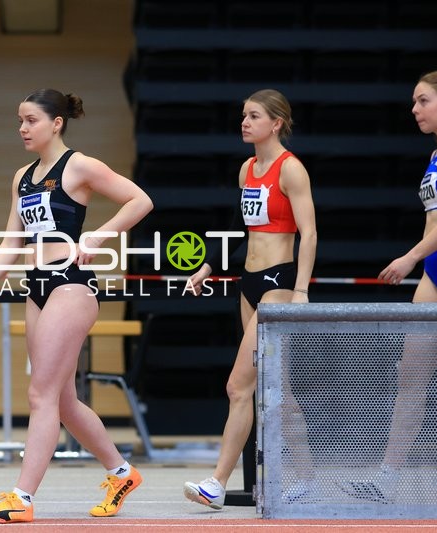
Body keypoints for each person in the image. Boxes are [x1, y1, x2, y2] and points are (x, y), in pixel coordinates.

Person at [0, 89, 153, 523]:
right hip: (36, 287)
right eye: (19, 120)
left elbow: (140, 200)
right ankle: (122, 473)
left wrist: (99, 235)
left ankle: (21, 499)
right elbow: (13, 238)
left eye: (31, 120)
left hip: (72, 286)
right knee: (63, 400)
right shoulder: (22, 177)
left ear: (57, 123)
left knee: (40, 393)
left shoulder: (81, 166)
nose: (22, 128)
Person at [338, 70, 437, 504]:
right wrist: (421, 259)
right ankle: (388, 478)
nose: (415, 109)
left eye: (423, 101)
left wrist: (410, 256)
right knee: (409, 373)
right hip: (435, 266)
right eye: (414, 102)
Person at [182, 89, 317, 509]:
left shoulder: (290, 169)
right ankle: (309, 477)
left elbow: (309, 233)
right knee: (275, 388)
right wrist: (208, 267)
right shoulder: (247, 170)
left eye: (254, 116)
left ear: (275, 123)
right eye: (243, 115)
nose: (245, 122)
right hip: (249, 281)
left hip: (279, 282)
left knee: (238, 385)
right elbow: (244, 231)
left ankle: (217, 482)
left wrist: (301, 291)